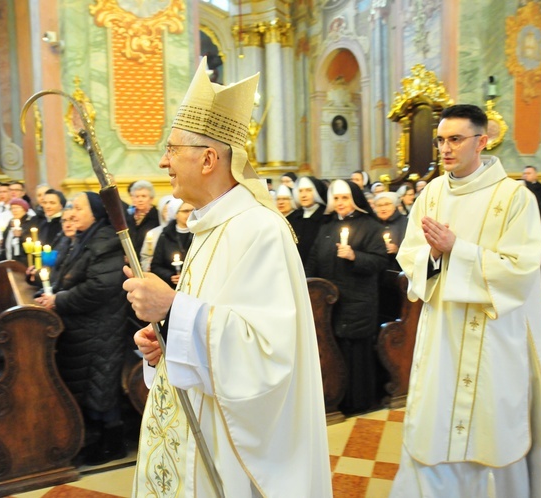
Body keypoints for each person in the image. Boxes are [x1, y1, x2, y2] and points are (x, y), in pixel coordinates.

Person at [124, 58, 332, 497]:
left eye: (172, 149)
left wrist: (173, 309)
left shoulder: (260, 229)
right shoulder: (209, 226)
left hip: (230, 448)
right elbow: (216, 321)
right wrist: (166, 341)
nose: (163, 162)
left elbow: (270, 353)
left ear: (208, 159)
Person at [391, 104, 541, 497]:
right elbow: (412, 258)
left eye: (455, 139)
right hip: (442, 333)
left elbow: (520, 271)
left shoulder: (515, 197)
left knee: (490, 429)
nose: (445, 149)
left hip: (493, 339)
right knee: (434, 423)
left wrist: (456, 249)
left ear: (482, 141)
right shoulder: (431, 194)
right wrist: (433, 256)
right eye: (441, 140)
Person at [35, 192, 129, 465]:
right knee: (90, 384)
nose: (71, 213)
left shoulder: (107, 240)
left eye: (78, 208)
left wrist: (58, 299)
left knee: (100, 386)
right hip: (84, 324)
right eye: (70, 207)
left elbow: (100, 286)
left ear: (97, 213)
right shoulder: (84, 236)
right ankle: (93, 438)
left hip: (100, 327)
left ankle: (112, 443)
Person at [305, 179, 389, 413]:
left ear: (354, 200)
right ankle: (336, 400)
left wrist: (355, 256)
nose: (340, 203)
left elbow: (381, 261)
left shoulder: (370, 226)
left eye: (344, 198)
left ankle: (358, 402)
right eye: (336, 198)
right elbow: (313, 259)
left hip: (357, 302)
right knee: (333, 350)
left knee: (355, 354)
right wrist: (307, 284)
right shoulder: (327, 226)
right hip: (328, 303)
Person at [149, 200, 194, 288]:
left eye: (193, 210)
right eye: (185, 211)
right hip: (172, 287)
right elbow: (155, 266)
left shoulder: (199, 233)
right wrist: (170, 276)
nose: (190, 214)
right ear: (175, 214)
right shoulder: (165, 235)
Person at [288, 175, 328, 265]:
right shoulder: (293, 217)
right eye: (300, 191)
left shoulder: (327, 217)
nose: (304, 195)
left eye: (308, 190)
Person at [125, 180, 159, 255]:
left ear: (151, 198)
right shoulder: (128, 216)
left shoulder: (157, 216)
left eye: (144, 196)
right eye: (137, 196)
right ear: (132, 198)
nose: (140, 200)